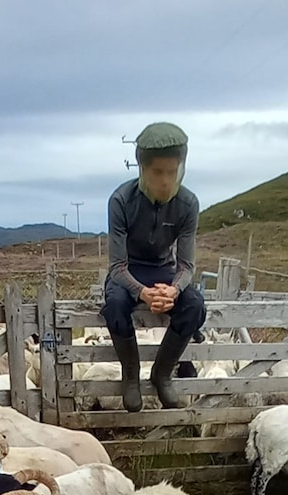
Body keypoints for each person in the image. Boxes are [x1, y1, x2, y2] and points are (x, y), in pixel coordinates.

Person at [101, 122, 206, 412]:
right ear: (142, 169)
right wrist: (143, 293)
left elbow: (186, 264)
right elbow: (117, 265)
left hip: (164, 272)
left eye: (172, 172)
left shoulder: (188, 203)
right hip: (128, 271)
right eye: (158, 172)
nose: (165, 181)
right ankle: (131, 376)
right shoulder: (121, 201)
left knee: (195, 304)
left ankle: (162, 373)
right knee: (115, 305)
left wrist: (174, 289)